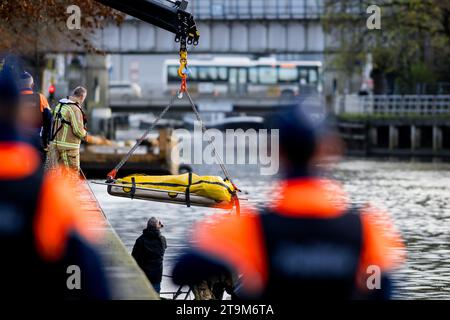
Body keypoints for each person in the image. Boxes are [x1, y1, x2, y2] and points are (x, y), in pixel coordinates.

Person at [172, 101, 405, 300]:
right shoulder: (368, 228)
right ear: (331, 150)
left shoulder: (250, 228)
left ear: (274, 152)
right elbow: (383, 289)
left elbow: (182, 271)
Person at [0, 61, 110, 299]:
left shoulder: (60, 105)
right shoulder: (49, 195)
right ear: (19, 111)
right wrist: (47, 141)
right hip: (62, 148)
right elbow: (91, 272)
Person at [50, 86, 89, 173]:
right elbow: (78, 130)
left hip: (56, 146)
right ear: (82, 97)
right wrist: (85, 134)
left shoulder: (60, 105)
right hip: (69, 148)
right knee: (72, 175)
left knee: (59, 176)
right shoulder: (74, 109)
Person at [17, 71, 53, 161]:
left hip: (17, 143)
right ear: (32, 85)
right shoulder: (40, 98)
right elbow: (49, 119)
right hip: (36, 143)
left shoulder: (12, 99)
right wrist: (45, 141)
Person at [132, 217, 167, 294]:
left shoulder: (140, 240)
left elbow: (133, 258)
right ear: (157, 227)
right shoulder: (162, 240)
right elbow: (163, 250)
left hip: (142, 276)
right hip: (156, 277)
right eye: (159, 223)